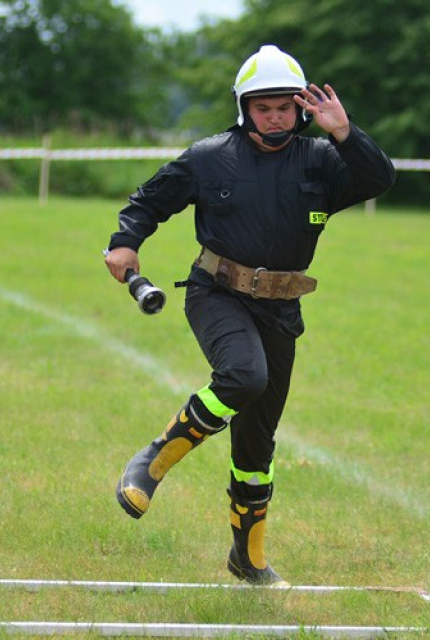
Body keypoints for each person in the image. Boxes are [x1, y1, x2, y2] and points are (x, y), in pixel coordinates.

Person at [104, 45, 396, 585]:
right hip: (217, 292)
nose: (276, 116)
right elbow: (148, 202)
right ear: (244, 108)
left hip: (281, 309)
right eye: (264, 107)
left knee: (257, 444)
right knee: (243, 375)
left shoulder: (323, 160)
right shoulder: (210, 156)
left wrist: (344, 133)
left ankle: (248, 557)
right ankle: (154, 458)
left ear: (301, 107)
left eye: (286, 106)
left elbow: (379, 179)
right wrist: (125, 242)